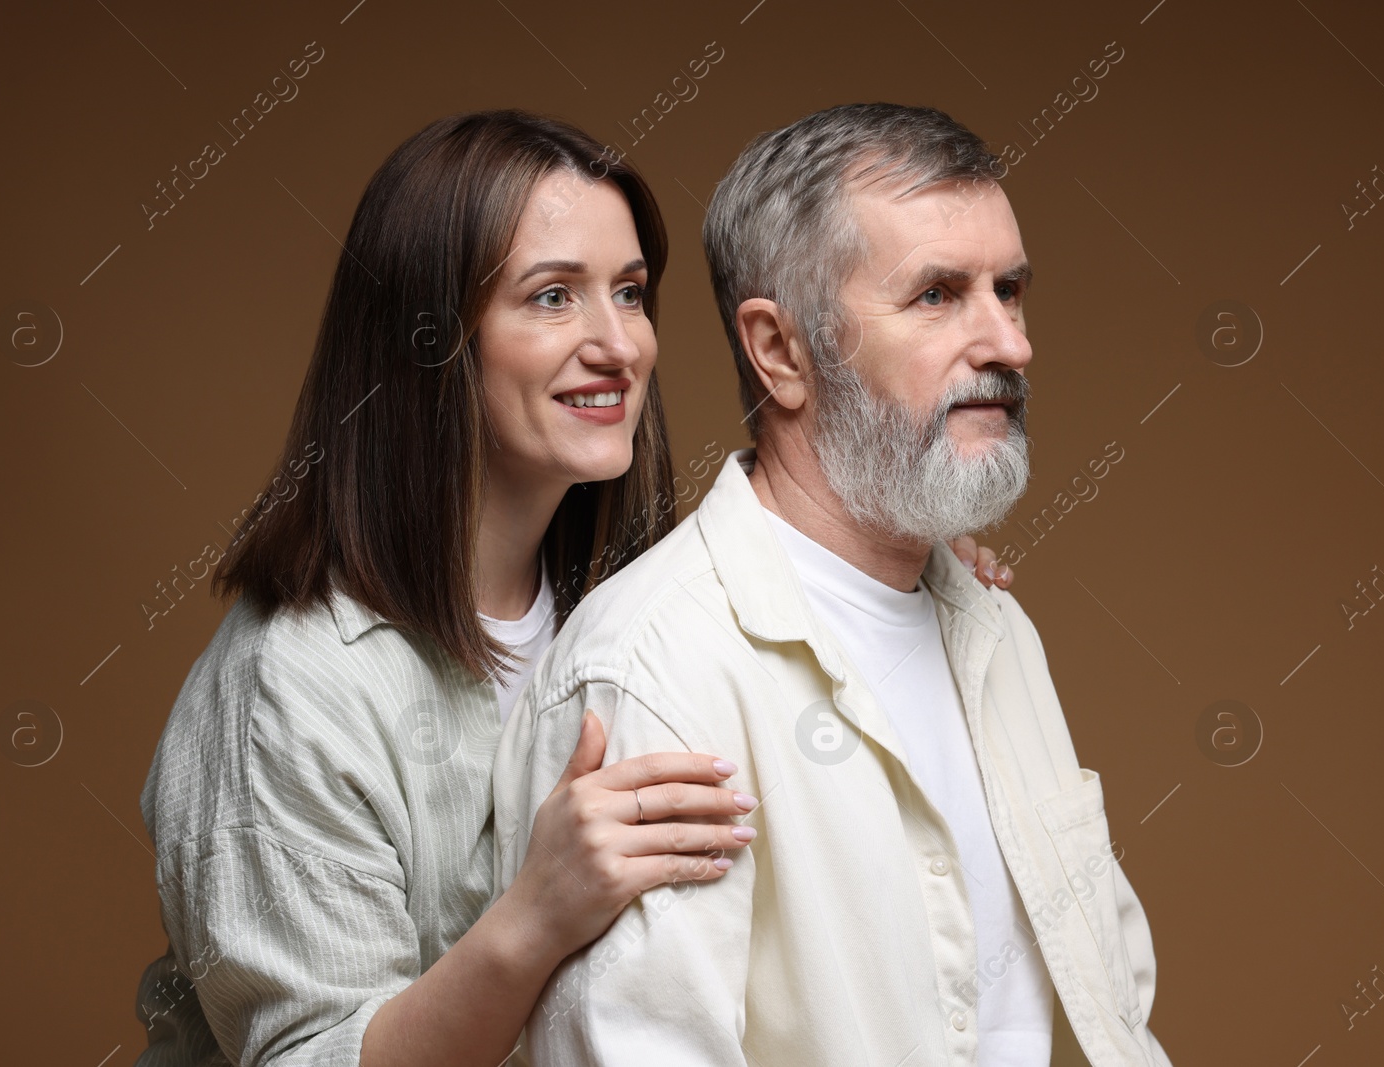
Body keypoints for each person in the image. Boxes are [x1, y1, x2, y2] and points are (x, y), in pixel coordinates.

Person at [130, 108, 1015, 1067]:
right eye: (553, 297)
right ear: (428, 337)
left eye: (630, 293)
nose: (618, 345)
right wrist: (531, 918)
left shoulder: (639, 612)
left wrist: (899, 574)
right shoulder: (292, 685)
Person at [493, 103, 1172, 1067]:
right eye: (939, 295)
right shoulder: (656, 674)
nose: (1009, 344)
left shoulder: (998, 630)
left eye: (1008, 290)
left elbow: (1113, 1010)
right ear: (780, 351)